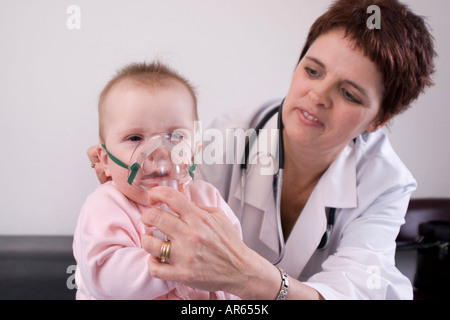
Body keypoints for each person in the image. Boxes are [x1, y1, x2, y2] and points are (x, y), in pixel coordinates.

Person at [89, 0, 436, 299]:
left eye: (349, 94)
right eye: (313, 71)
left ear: (380, 118)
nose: (317, 96)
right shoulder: (226, 139)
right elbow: (149, 234)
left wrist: (252, 277)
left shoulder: (384, 181)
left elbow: (360, 286)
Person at [75, 61, 242, 300]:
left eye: (175, 136)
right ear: (105, 160)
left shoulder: (208, 200)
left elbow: (233, 266)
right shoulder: (105, 205)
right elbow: (104, 274)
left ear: (194, 151)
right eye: (135, 137)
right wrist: (185, 262)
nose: (160, 152)